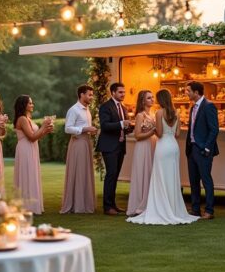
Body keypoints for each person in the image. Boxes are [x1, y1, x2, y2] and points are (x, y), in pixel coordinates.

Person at [127, 89, 199, 225]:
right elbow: (177, 134)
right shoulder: (177, 112)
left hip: (163, 146)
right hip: (173, 146)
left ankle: (161, 206)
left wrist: (154, 128)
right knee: (172, 177)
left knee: (160, 177)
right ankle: (173, 207)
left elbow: (159, 133)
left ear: (160, 100)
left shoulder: (159, 112)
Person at [13, 95, 53, 214]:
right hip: (25, 149)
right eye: (30, 103)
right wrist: (44, 126)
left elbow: (36, 137)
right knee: (27, 174)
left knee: (32, 174)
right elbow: (31, 137)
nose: (32, 105)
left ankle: (32, 204)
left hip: (32, 148)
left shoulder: (28, 118)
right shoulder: (22, 119)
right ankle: (27, 206)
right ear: (24, 105)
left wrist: (45, 131)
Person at [60, 85, 97, 214]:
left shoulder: (87, 110)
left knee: (85, 172)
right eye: (89, 95)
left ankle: (85, 202)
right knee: (79, 172)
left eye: (92, 95)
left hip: (86, 142)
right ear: (81, 95)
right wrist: (85, 129)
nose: (91, 97)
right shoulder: (74, 110)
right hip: (78, 143)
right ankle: (76, 204)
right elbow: (67, 128)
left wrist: (90, 131)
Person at [96, 82, 131, 215]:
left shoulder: (123, 108)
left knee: (115, 175)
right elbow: (105, 126)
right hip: (109, 146)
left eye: (124, 92)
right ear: (113, 93)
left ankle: (113, 205)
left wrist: (131, 127)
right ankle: (107, 207)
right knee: (111, 175)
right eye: (120, 92)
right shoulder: (105, 107)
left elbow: (124, 128)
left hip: (120, 146)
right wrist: (122, 123)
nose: (123, 94)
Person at [185, 81, 219, 219]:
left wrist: (206, 147)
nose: (186, 93)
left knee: (206, 180)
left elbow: (214, 129)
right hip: (191, 149)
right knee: (193, 181)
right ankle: (195, 209)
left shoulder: (209, 106)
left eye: (188, 91)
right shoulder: (192, 108)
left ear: (196, 92)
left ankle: (209, 211)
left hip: (203, 150)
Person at [126, 90, 156, 217]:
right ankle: (139, 204)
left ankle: (149, 203)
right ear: (143, 101)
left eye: (152, 97)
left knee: (149, 173)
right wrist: (152, 132)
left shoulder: (153, 114)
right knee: (142, 173)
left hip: (152, 145)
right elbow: (137, 135)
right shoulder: (140, 115)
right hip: (143, 146)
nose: (152, 99)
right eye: (149, 98)